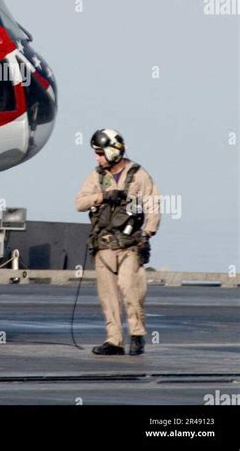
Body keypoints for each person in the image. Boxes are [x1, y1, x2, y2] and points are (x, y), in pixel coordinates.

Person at [75, 128, 161, 356]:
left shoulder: (139, 175)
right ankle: (114, 340)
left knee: (131, 291)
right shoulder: (97, 177)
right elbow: (80, 203)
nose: (97, 158)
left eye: (100, 153)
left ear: (113, 152)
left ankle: (137, 334)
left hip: (129, 245)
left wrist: (148, 232)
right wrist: (103, 196)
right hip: (103, 246)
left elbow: (153, 204)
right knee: (108, 296)